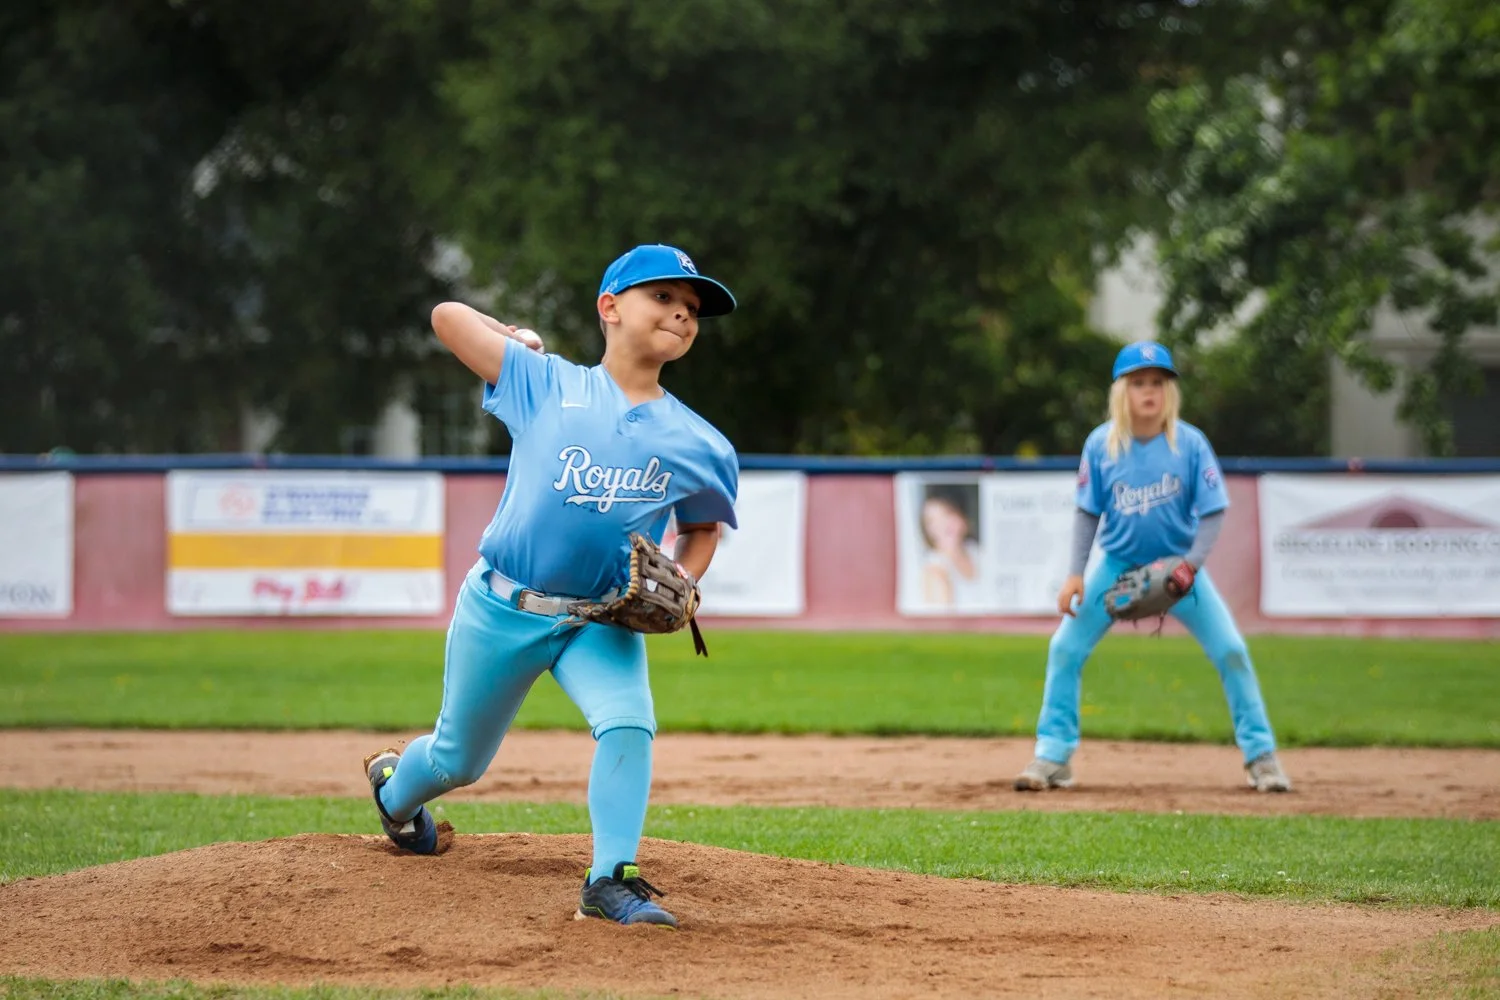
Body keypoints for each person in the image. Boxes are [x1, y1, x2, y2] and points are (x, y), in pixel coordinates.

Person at [364, 244, 740, 929]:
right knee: (457, 760)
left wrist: (685, 575)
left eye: (692, 310)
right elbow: (447, 317)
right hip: (502, 606)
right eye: (663, 298)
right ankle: (396, 793)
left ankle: (609, 879)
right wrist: (510, 338)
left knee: (629, 724)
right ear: (610, 307)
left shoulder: (701, 443)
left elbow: (703, 528)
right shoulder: (544, 383)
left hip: (600, 621)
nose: (682, 316)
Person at [1013, 341, 1291, 793]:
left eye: (1158, 383)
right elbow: (1087, 512)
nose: (1149, 391)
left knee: (1232, 651)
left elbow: (1214, 510)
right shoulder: (1102, 444)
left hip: (1180, 569)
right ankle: (1053, 755)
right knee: (1065, 647)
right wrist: (1075, 573)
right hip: (1117, 566)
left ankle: (1261, 757)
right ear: (1122, 390)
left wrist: (1191, 566)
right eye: (1139, 382)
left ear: (1169, 391)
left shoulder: (1190, 443)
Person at [919, 492, 985, 609]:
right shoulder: (935, 570)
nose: (942, 525)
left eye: (947, 514)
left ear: (962, 516)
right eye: (932, 521)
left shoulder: (976, 551)